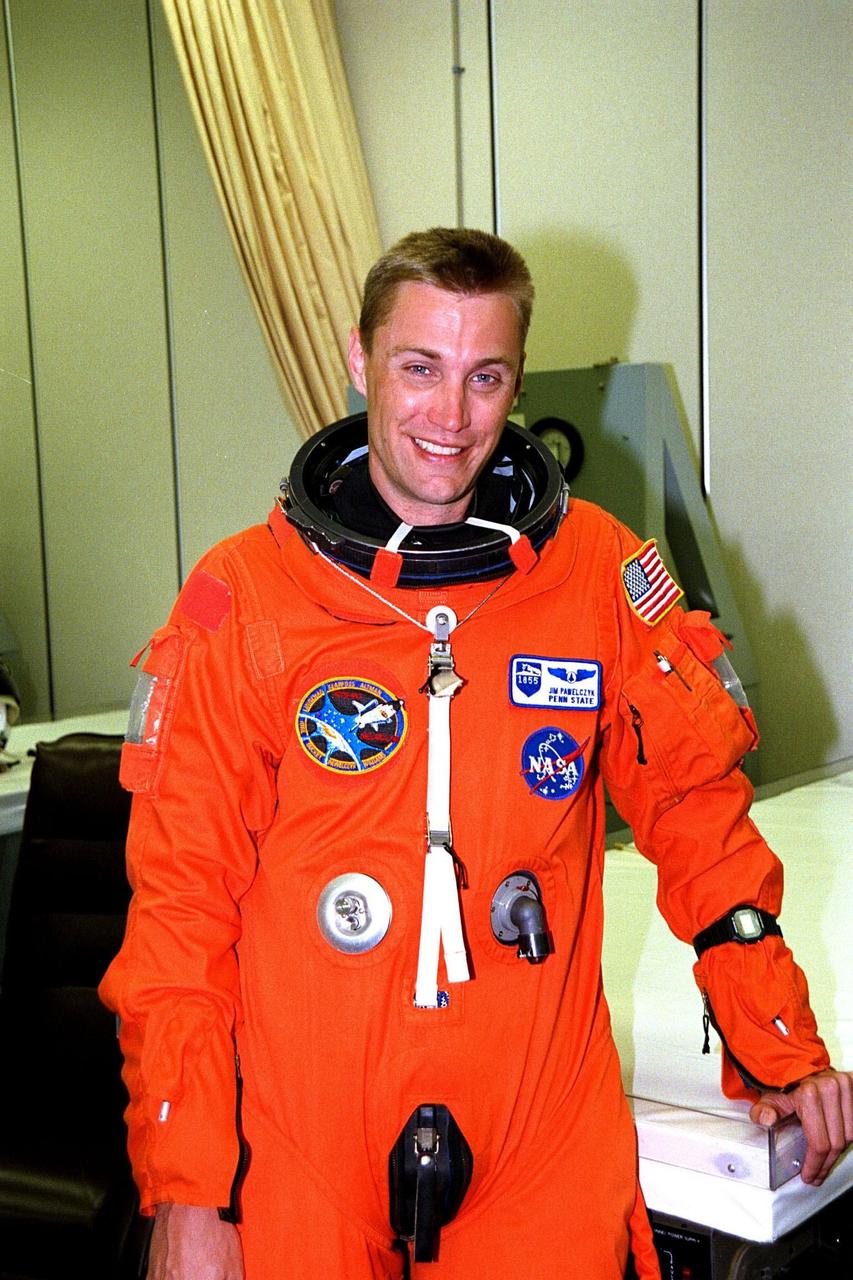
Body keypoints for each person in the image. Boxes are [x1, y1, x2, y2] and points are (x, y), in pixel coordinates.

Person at [100, 228, 852, 1280]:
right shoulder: (245, 598)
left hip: (536, 1128)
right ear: (360, 359)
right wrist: (186, 1187)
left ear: (515, 380)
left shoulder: (596, 573)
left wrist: (774, 1037)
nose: (450, 418)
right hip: (301, 1139)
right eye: (418, 368)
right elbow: (181, 908)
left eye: (485, 375)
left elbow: (695, 813)